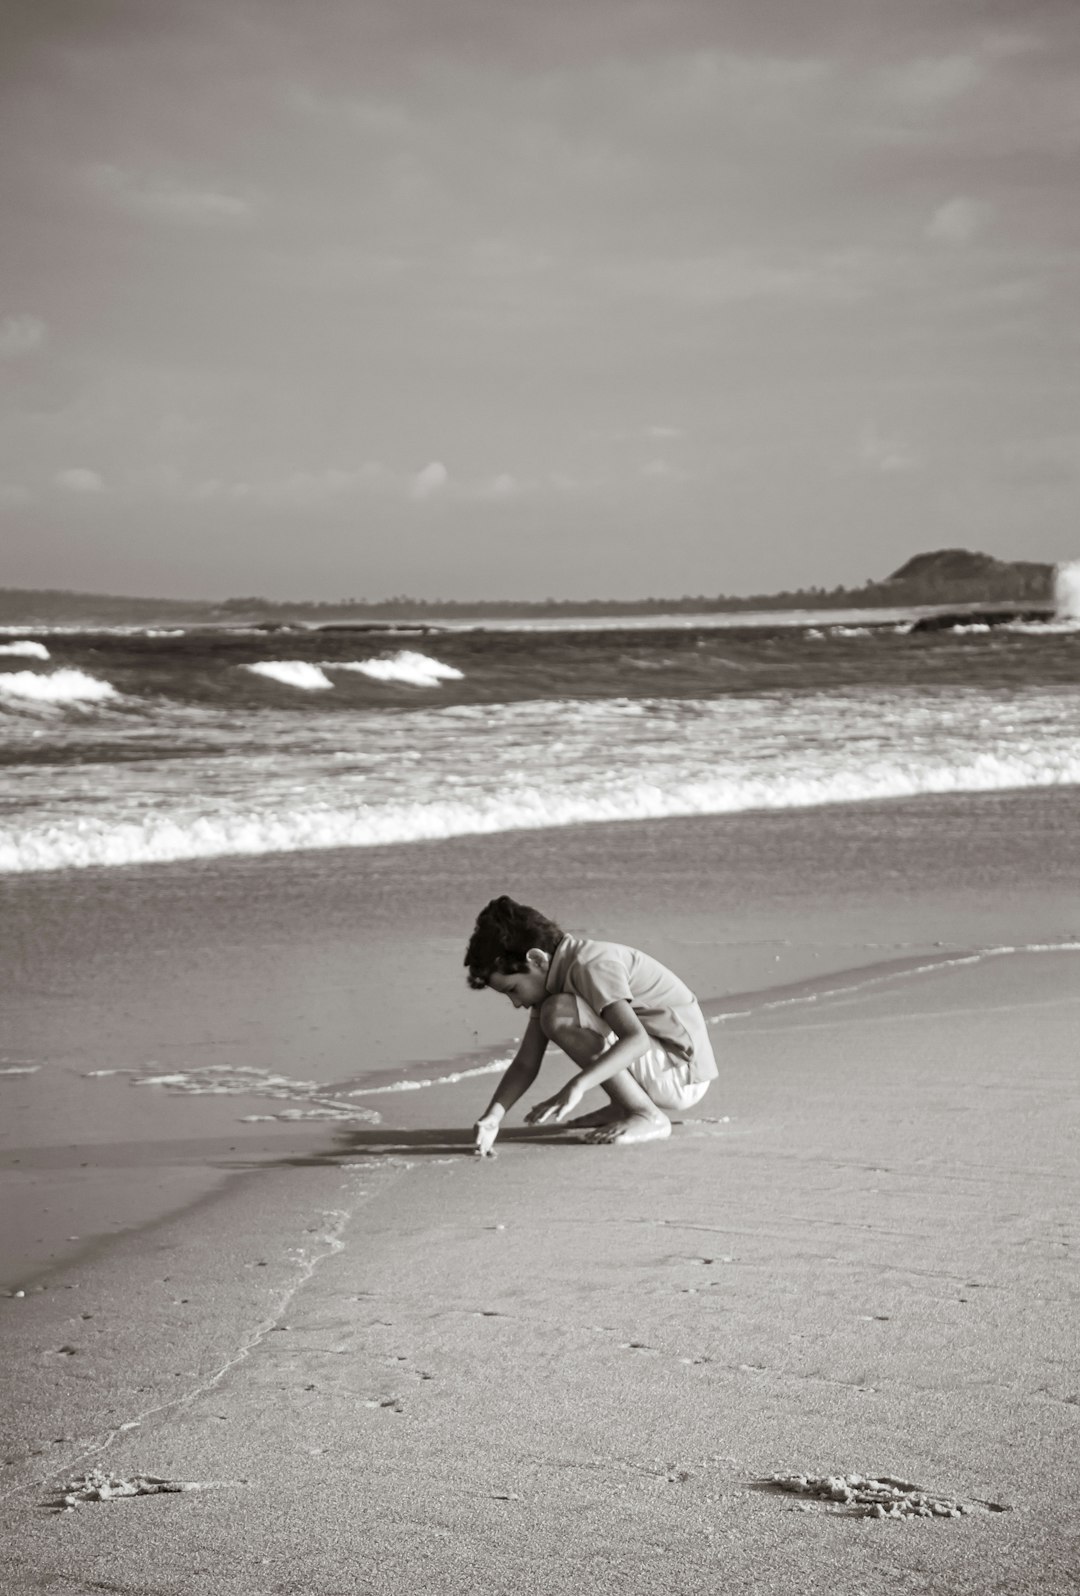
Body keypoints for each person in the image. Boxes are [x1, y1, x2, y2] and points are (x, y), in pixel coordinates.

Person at [465, 896, 717, 1156]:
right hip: (663, 1066)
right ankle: (625, 1105)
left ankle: (646, 1115)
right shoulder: (555, 978)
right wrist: (493, 1116)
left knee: (557, 1012)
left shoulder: (590, 965)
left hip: (680, 1072)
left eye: (513, 990)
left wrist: (577, 1087)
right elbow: (526, 1063)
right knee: (555, 1010)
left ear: (538, 960)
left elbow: (637, 1039)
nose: (516, 1003)